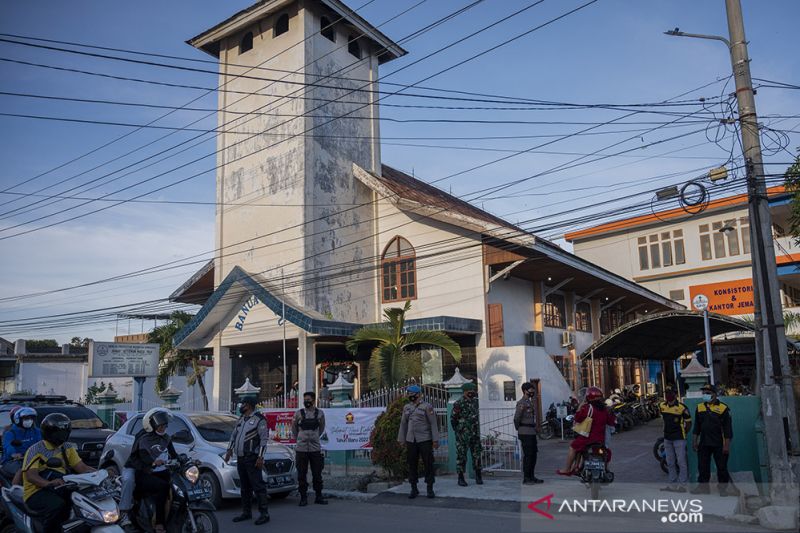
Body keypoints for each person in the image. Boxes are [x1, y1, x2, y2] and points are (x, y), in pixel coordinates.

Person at [21, 413, 96, 532]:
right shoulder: (35, 449)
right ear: (49, 432)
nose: (62, 435)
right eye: (58, 432)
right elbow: (31, 476)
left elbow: (81, 467)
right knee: (57, 505)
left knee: (85, 502)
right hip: (36, 491)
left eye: (64, 431)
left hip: (61, 486)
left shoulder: (67, 447)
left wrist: (102, 473)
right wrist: (48, 483)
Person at [126, 408, 178, 533]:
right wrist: (153, 462)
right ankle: (159, 523)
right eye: (160, 425)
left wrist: (182, 460)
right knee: (163, 487)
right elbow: (143, 457)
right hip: (145, 473)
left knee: (177, 486)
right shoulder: (144, 439)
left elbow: (174, 454)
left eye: (164, 425)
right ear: (152, 425)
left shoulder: (166, 438)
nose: (163, 428)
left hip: (162, 471)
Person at [225, 397, 270, 525]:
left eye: (243, 404)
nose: (241, 406)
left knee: (258, 486)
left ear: (249, 406)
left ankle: (264, 513)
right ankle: (246, 512)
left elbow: (263, 440)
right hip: (240, 457)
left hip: (252, 458)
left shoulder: (259, 420)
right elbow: (233, 436)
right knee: (244, 487)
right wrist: (229, 450)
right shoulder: (241, 419)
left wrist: (260, 457)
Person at [557, 387, 616, 476]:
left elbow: (578, 419)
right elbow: (611, 422)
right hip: (600, 440)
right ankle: (606, 469)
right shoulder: (605, 410)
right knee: (607, 452)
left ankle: (567, 469)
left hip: (586, 438)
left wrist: (579, 408)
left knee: (573, 447)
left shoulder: (587, 408)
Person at [397, 384, 439, 499]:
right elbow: (403, 424)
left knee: (428, 464)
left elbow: (433, 424)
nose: (411, 396)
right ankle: (413, 488)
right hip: (411, 440)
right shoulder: (407, 408)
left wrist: (435, 440)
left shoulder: (427, 407)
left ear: (419, 395)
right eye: (409, 394)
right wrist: (401, 439)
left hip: (425, 439)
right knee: (412, 464)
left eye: (413, 395)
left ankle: (430, 488)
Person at [691, 384, 733, 496]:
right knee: (703, 466)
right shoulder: (699, 407)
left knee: (722, 467)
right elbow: (697, 426)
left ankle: (723, 489)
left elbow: (727, 429)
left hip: (719, 443)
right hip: (704, 443)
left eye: (708, 393)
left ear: (715, 394)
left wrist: (726, 445)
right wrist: (694, 441)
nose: (705, 395)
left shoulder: (724, 408)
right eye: (704, 393)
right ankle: (703, 488)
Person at [291, 391, 327, 506]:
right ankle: (303, 497)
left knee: (317, 473)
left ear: (313, 400)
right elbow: (294, 429)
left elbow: (321, 428)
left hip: (315, 448)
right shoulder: (298, 414)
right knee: (302, 474)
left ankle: (319, 496)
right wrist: (300, 438)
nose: (306, 401)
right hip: (301, 449)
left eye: (308, 399)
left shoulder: (320, 414)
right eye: (305, 399)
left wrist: (314, 437)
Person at [658, 387, 692, 492]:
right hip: (667, 439)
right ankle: (672, 485)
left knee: (681, 462)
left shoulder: (682, 408)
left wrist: (683, 433)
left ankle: (683, 486)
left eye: (670, 393)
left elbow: (689, 423)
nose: (668, 395)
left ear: (675, 394)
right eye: (666, 393)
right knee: (670, 462)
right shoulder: (662, 406)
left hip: (679, 439)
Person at [451, 382, 482, 487]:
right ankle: (461, 478)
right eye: (470, 391)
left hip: (475, 434)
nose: (472, 393)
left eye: (473, 391)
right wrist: (459, 430)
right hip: (463, 435)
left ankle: (478, 476)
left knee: (477, 455)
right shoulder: (458, 403)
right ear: (465, 392)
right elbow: (453, 419)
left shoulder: (475, 402)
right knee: (461, 456)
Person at [514, 382, 542, 484]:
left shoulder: (529, 402)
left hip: (531, 432)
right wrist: (519, 428)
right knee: (528, 456)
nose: (533, 391)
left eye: (533, 390)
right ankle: (526, 478)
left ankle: (532, 476)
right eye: (531, 390)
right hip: (525, 432)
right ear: (525, 391)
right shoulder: (522, 403)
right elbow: (516, 418)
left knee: (533, 455)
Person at [2, 407, 41, 480]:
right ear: (17, 420)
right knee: (23, 470)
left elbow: (42, 443)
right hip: (12, 461)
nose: (29, 420)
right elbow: (8, 446)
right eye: (26, 418)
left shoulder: (36, 431)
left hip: (32, 460)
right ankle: (15, 489)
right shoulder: (10, 433)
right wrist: (13, 454)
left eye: (31, 418)